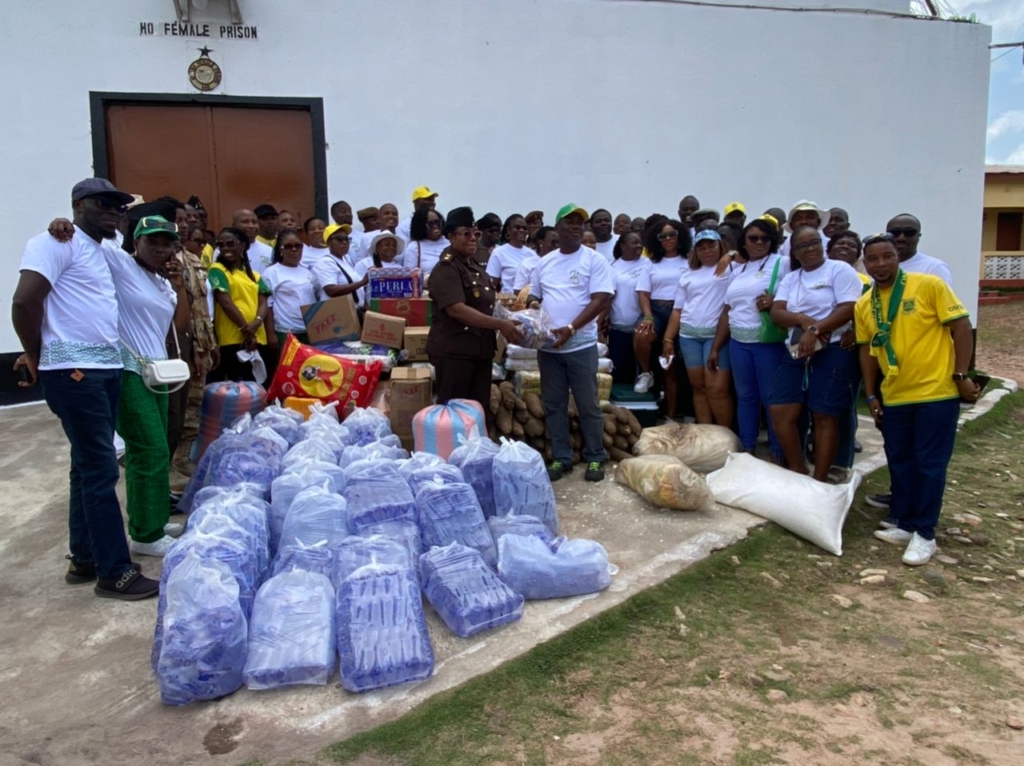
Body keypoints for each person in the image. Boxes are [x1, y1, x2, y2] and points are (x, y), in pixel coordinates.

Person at [12, 178, 158, 599]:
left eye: (118, 206)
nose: (113, 210)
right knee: (101, 469)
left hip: (104, 368)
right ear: (78, 205)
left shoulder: (101, 248)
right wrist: (34, 354)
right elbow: (24, 302)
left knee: (86, 465)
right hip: (75, 372)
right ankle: (115, 572)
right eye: (102, 203)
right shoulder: (54, 243)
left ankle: (86, 557)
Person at [857, 233, 977, 566]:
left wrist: (961, 375)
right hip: (896, 395)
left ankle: (925, 533)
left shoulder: (928, 285)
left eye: (888, 256)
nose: (881, 264)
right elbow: (867, 350)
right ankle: (906, 523)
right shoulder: (865, 303)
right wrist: (871, 393)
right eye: (873, 259)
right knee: (900, 460)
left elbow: (961, 327)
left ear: (898, 257)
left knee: (930, 464)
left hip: (935, 392)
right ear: (865, 264)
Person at [104, 216, 192, 556]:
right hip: (129, 371)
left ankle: (153, 520)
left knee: (156, 450)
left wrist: (179, 285)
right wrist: (62, 225)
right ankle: (145, 534)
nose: (159, 248)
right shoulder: (122, 265)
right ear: (136, 242)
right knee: (148, 450)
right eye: (151, 241)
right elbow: (92, 237)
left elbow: (179, 326)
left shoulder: (162, 281)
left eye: (166, 243)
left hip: (156, 373)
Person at [767, 226, 863, 482]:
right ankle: (798, 469)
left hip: (833, 348)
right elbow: (777, 312)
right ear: (795, 252)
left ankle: (819, 479)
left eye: (814, 243)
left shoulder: (839, 270)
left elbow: (848, 307)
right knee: (780, 410)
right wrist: (801, 319)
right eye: (802, 246)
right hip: (797, 350)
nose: (809, 249)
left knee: (824, 415)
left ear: (822, 245)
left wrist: (815, 329)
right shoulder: (791, 278)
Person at [530, 204, 614, 482]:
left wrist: (570, 328)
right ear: (557, 228)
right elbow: (535, 296)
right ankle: (562, 458)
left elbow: (600, 299)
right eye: (570, 221)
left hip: (580, 345)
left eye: (580, 222)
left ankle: (595, 457)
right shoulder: (545, 262)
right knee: (554, 405)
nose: (577, 226)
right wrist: (533, 309)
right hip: (549, 348)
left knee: (587, 404)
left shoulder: (594, 260)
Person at [427, 206, 523, 408]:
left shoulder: (474, 266)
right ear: (451, 236)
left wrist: (511, 318)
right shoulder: (446, 268)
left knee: (478, 410)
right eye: (466, 234)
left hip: (480, 350)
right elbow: (457, 310)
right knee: (454, 413)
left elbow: (485, 303)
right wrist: (499, 324)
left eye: (476, 234)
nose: (473, 238)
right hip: (455, 353)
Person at [709, 217, 789, 458]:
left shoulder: (781, 263)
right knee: (746, 398)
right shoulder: (738, 270)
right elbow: (727, 311)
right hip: (738, 343)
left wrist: (776, 302)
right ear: (744, 242)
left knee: (770, 399)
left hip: (767, 343)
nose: (759, 242)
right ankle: (748, 448)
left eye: (765, 238)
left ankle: (777, 451)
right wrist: (716, 348)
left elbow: (797, 294)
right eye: (753, 238)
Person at [662, 230, 734, 425]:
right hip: (689, 336)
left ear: (720, 245)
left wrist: (731, 254)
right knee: (698, 387)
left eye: (711, 245)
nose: (707, 250)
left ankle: (725, 434)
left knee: (717, 389)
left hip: (716, 336)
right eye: (701, 247)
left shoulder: (731, 267)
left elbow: (744, 255)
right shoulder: (688, 273)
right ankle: (705, 433)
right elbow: (677, 310)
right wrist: (668, 339)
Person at [633, 220, 692, 414]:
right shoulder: (650, 263)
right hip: (656, 310)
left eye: (672, 234)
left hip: (681, 312)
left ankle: (671, 415)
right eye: (663, 236)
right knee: (642, 333)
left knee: (670, 365)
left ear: (680, 236)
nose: (668, 239)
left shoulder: (690, 261)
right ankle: (646, 373)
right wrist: (648, 316)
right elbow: (643, 293)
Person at [207, 226, 272, 382]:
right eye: (220, 245)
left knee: (257, 386)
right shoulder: (217, 270)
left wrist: (256, 323)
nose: (225, 248)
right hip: (232, 338)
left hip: (258, 336)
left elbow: (263, 302)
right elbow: (226, 302)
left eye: (230, 243)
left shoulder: (254, 275)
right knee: (238, 388)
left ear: (243, 245)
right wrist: (247, 330)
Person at [606, 232, 649, 385]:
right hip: (619, 328)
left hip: (644, 327)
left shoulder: (648, 264)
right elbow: (608, 297)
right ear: (623, 246)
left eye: (640, 242)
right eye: (634, 242)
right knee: (621, 374)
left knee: (644, 372)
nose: (639, 246)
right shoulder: (613, 267)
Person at [264, 229, 318, 347]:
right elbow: (267, 306)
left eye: (298, 246)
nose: (294, 249)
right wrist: (270, 334)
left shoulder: (308, 272)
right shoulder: (271, 273)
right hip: (286, 331)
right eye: (288, 246)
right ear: (280, 250)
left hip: (310, 330)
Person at [886, 213, 953, 285]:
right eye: (895, 232)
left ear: (918, 236)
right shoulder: (878, 267)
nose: (901, 238)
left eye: (909, 232)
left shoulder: (933, 267)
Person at [312, 223, 368, 307]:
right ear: (329, 242)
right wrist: (362, 282)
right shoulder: (325, 262)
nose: (345, 242)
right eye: (339, 239)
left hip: (355, 311)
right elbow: (331, 290)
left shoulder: (346, 260)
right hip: (338, 312)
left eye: (347, 239)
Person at [487, 214, 536, 292]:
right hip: (507, 297)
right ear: (508, 230)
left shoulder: (532, 254)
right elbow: (492, 284)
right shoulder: (499, 252)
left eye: (524, 228)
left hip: (529, 298)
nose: (521, 230)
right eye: (517, 227)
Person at [402, 207, 449, 283]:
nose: (435, 226)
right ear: (421, 226)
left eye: (437, 222)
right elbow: (408, 278)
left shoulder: (450, 242)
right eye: (430, 224)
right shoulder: (414, 247)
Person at [780, 201, 831, 269]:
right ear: (791, 225)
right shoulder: (784, 247)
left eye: (810, 217)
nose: (804, 221)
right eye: (798, 219)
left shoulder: (830, 244)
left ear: (818, 222)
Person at [513, 225, 558, 293]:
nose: (557, 245)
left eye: (558, 242)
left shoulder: (561, 262)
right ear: (541, 242)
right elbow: (518, 290)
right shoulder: (527, 264)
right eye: (553, 242)